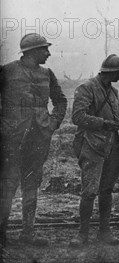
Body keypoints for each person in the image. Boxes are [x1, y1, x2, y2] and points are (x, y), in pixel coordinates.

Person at [0, 34, 67, 247]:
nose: (48, 53)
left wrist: (53, 123)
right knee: (7, 185)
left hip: (39, 138)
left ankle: (28, 233)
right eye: (44, 49)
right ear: (31, 51)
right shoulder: (7, 71)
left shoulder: (47, 74)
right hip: (11, 139)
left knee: (32, 184)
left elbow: (61, 101)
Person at [69, 54, 119, 247]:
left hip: (113, 146)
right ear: (110, 72)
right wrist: (104, 124)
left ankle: (104, 231)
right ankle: (82, 234)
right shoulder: (86, 88)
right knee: (89, 192)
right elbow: (78, 117)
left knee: (107, 190)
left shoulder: (114, 92)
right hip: (92, 145)